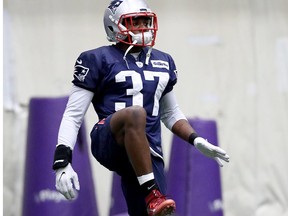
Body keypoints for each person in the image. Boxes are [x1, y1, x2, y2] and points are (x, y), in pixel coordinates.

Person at [52, 0, 230, 215]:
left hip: (147, 150)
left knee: (154, 213)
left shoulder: (164, 61)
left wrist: (196, 139)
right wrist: (62, 161)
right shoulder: (96, 58)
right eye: (135, 21)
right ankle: (152, 192)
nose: (143, 27)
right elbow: (73, 115)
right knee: (135, 114)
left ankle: (151, 194)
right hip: (109, 138)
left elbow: (170, 113)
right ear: (114, 26)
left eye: (146, 21)